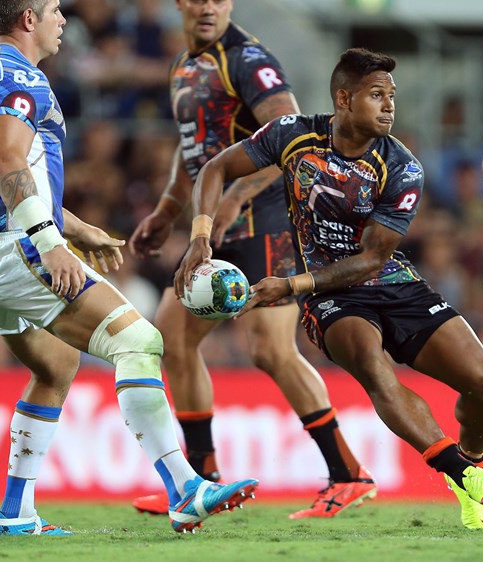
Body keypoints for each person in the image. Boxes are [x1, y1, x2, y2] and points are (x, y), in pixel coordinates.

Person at [174, 47, 483, 530]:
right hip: (331, 298)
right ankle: (464, 475)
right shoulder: (292, 135)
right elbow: (216, 168)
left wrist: (290, 285)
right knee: (374, 367)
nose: (389, 106)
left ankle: (470, 470)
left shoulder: (402, 167)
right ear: (344, 99)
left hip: (390, 281)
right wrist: (200, 236)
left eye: (392, 96)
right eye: (377, 95)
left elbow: (373, 259)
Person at [0, 0, 257, 535]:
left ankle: (15, 512)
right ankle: (185, 488)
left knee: (56, 368)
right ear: (28, 19)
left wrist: (72, 227)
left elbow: (4, 174)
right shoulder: (18, 77)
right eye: (54, 9)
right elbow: (7, 162)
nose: (62, 19)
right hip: (14, 247)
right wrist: (49, 241)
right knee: (138, 341)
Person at [128, 0, 375, 519]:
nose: (207, 7)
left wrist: (236, 195)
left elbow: (294, 139)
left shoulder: (246, 60)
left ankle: (348, 474)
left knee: (271, 350)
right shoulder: (184, 66)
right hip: (216, 226)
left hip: (266, 223)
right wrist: (167, 211)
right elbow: (193, 151)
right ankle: (201, 482)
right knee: (172, 335)